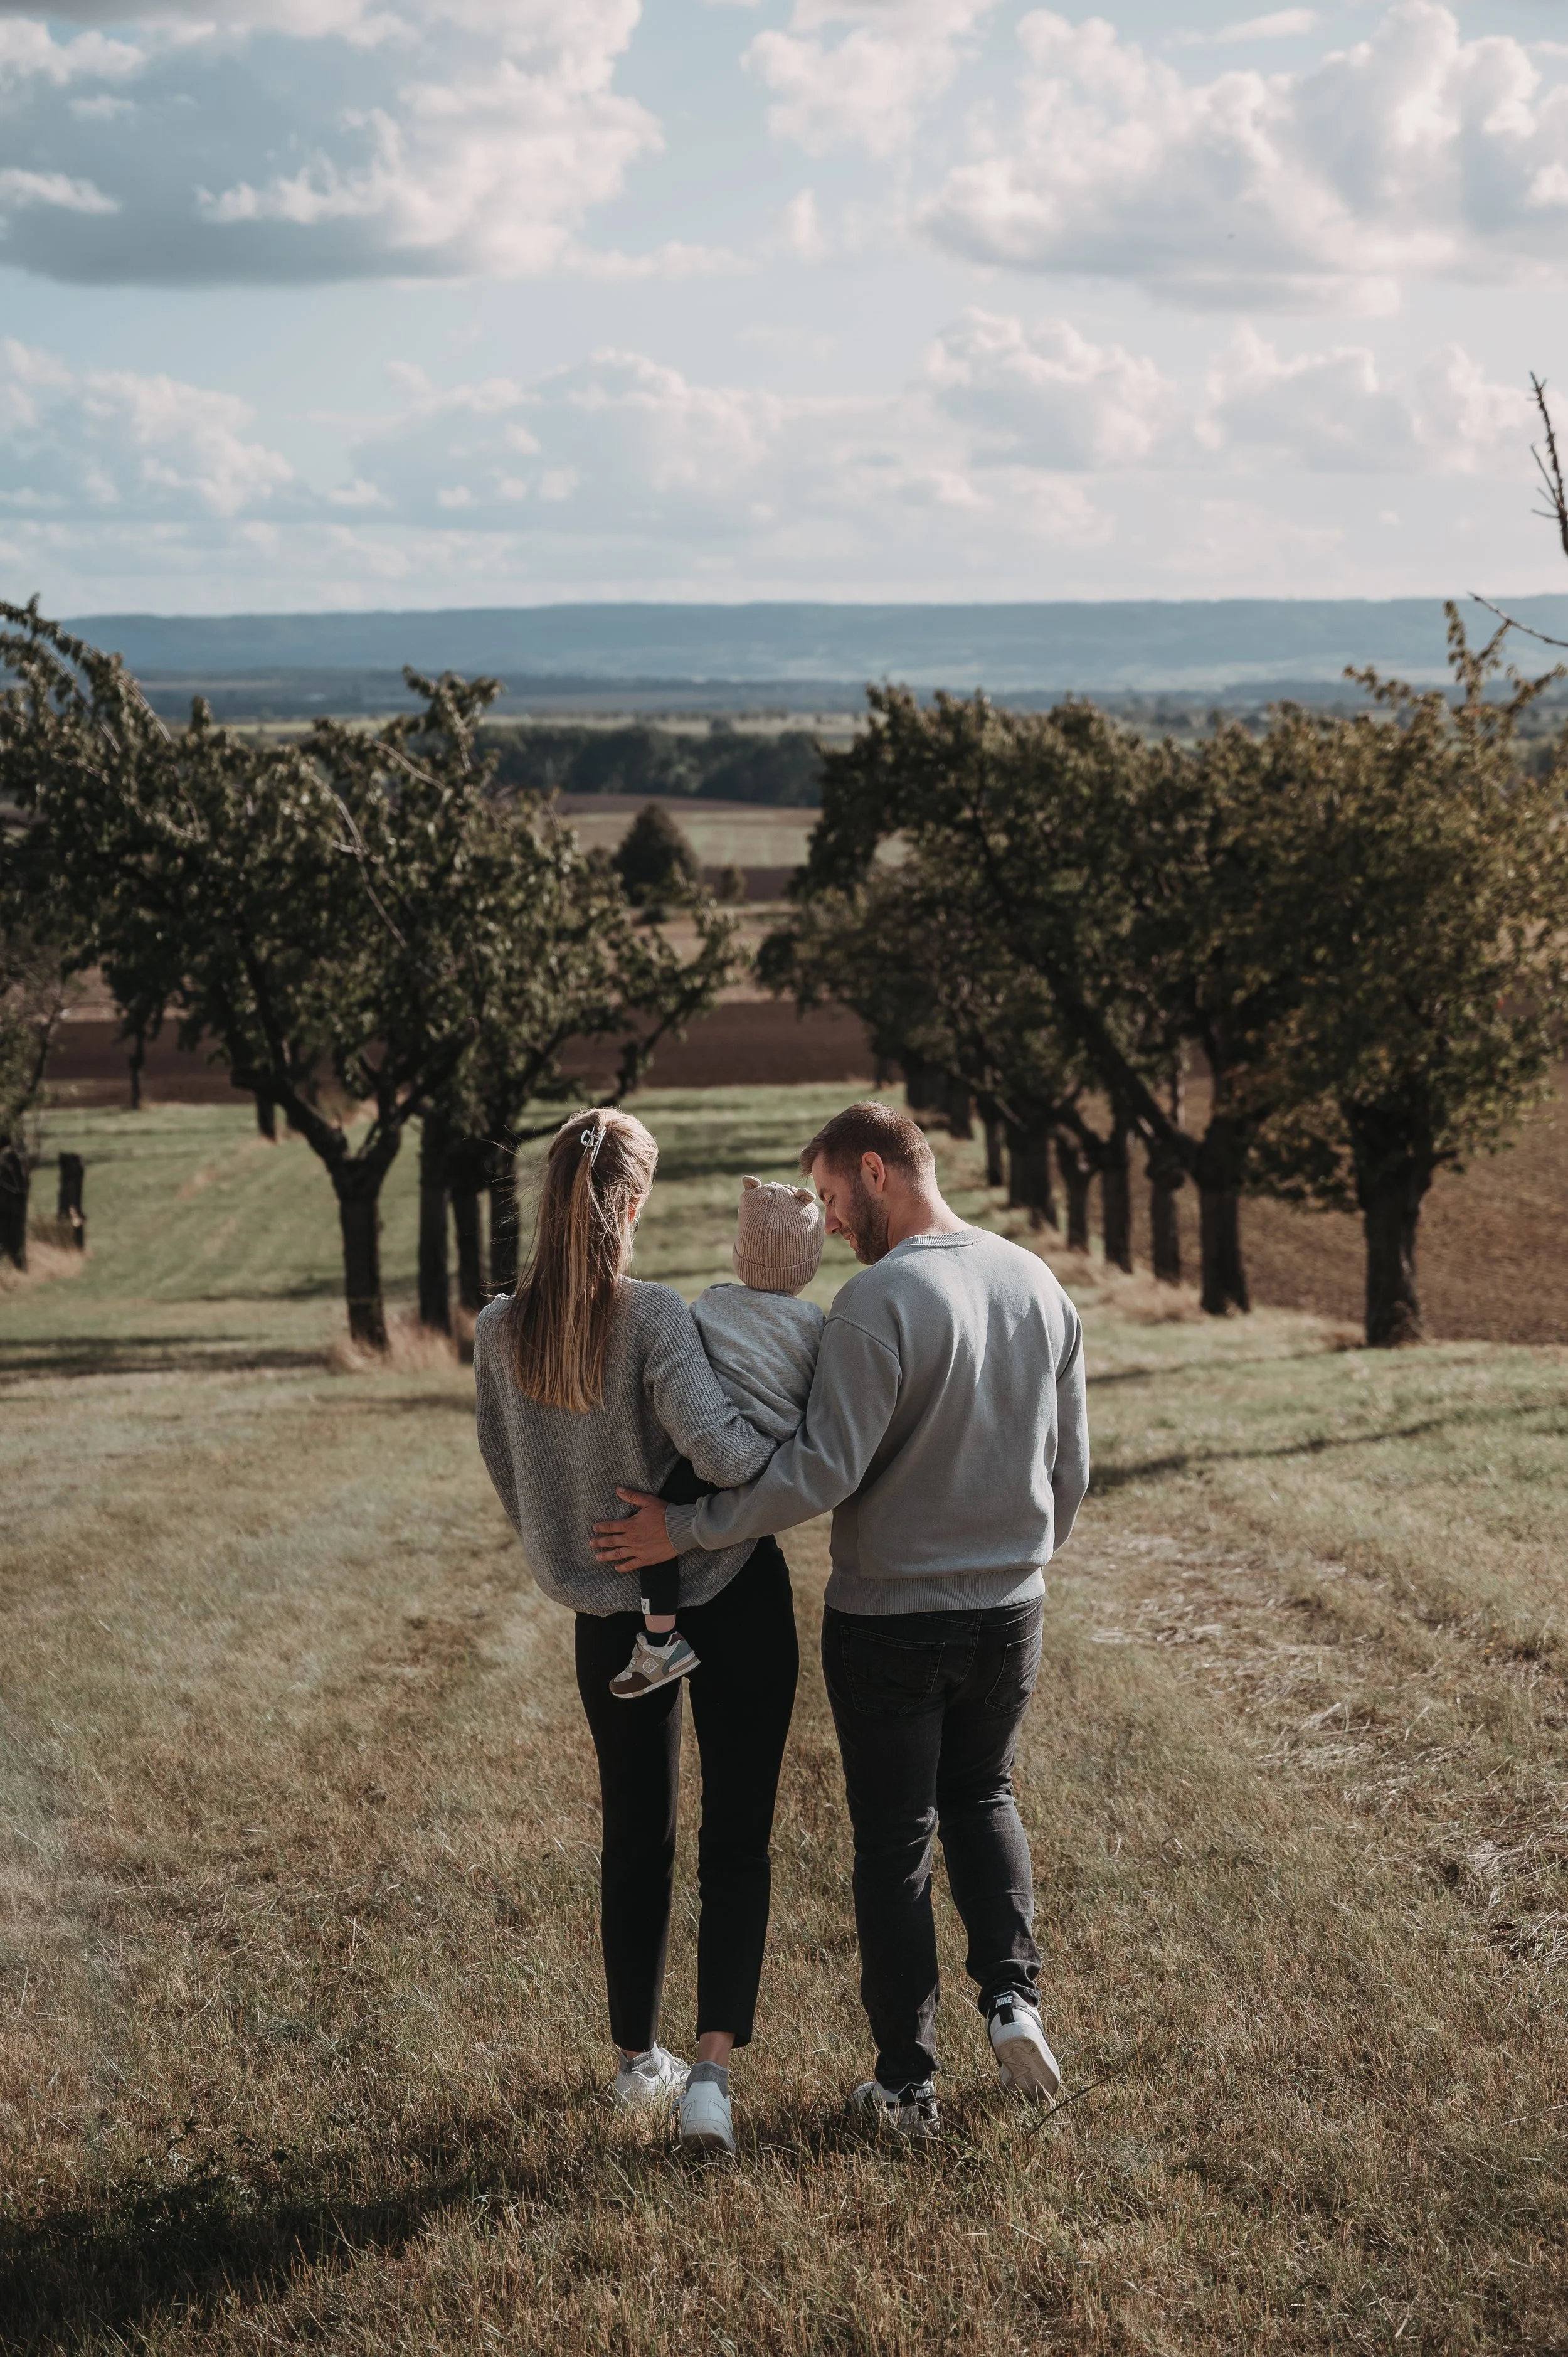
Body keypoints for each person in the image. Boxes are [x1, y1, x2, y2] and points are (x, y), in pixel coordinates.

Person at [593, 1100, 1090, 2142]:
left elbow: (817, 1472)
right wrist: (1019, 1554)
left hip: (893, 1618)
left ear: (877, 1168)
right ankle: (1013, 1998)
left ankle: (908, 2087)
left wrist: (686, 1526)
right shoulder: (1038, 1281)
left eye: (828, 1195)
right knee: (986, 1792)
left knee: (897, 1839)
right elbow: (1071, 1470)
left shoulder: (877, 1301)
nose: (830, 1222)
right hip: (1012, 1608)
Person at [473, 1107, 800, 2158]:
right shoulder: (654, 1316)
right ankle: (709, 2074)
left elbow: (507, 1470)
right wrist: (787, 1430)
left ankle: (632, 2062)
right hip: (732, 1588)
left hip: (608, 1613)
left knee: (636, 1835)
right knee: (736, 1834)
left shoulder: (497, 1328)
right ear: (635, 1200)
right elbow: (720, 1452)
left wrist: (573, 1543)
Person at [609, 1175, 827, 1700]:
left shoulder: (709, 1305)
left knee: (653, 1527)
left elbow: (681, 1371)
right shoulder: (816, 1323)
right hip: (773, 1459)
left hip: (708, 1450)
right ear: (810, 1264)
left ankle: (661, 1641)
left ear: (739, 1252)